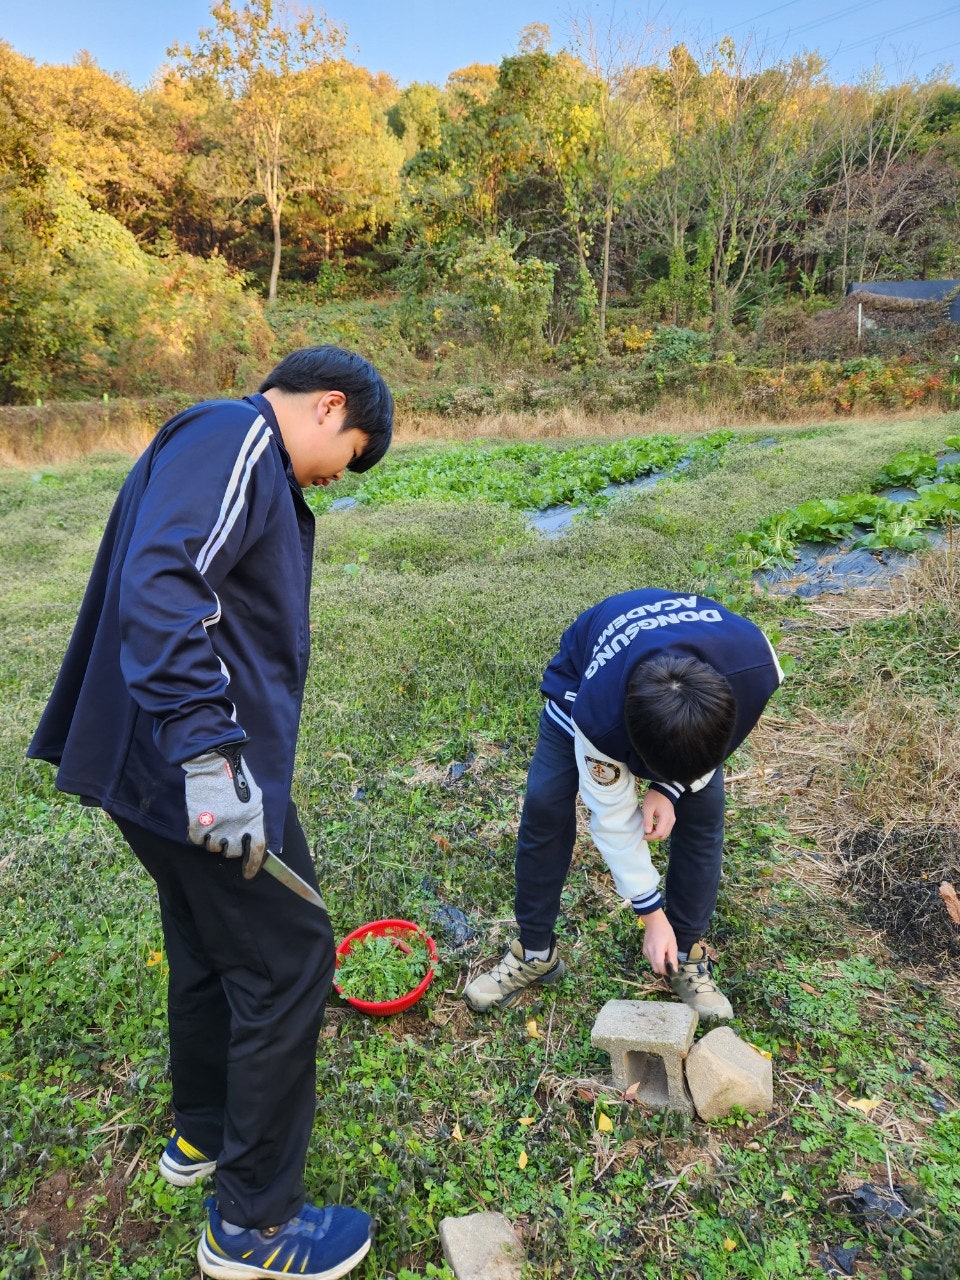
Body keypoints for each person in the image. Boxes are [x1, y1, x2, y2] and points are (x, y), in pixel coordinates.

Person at [27, 346, 394, 1280]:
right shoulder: (239, 434)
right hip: (193, 768)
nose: (330, 480)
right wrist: (210, 752)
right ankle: (254, 1228)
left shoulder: (231, 448)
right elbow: (164, 580)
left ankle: (199, 1138)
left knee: (201, 940)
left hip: (163, 772)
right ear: (327, 407)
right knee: (292, 954)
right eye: (343, 458)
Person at [463, 588, 784, 1020]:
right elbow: (613, 819)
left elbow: (718, 750)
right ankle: (534, 951)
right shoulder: (600, 721)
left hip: (704, 674)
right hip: (584, 676)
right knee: (545, 808)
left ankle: (686, 954)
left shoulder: (755, 669)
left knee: (704, 814)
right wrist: (650, 914)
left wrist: (671, 789)